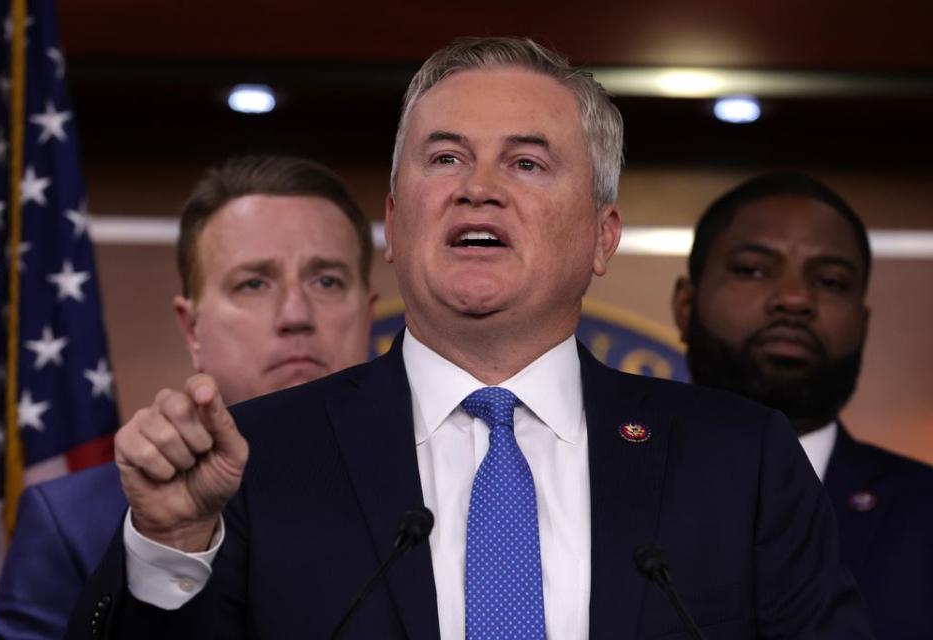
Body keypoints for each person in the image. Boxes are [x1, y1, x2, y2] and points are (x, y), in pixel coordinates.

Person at [66, 38, 873, 639]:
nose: (477, 188)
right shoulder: (257, 458)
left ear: (601, 235)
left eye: (527, 164)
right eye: (444, 157)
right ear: (393, 223)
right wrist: (170, 549)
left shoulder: (740, 461)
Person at [0, 155, 377, 640]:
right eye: (253, 283)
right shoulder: (70, 522)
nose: (295, 313)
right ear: (191, 327)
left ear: (367, 314)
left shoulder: (445, 494)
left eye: (326, 280)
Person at [672, 171, 933, 639]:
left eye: (831, 282)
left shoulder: (923, 512)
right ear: (685, 307)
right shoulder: (598, 483)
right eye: (752, 270)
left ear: (864, 323)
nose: (795, 300)